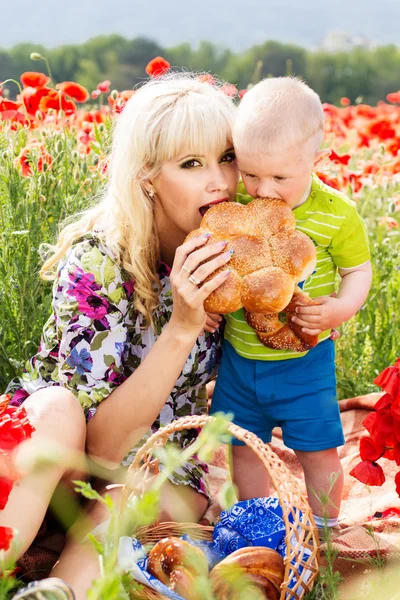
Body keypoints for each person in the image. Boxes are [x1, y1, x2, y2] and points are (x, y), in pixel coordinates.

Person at [3, 73, 239, 599]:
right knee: (60, 411)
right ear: (148, 177)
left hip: (152, 466)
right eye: (192, 164)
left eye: (226, 156)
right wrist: (181, 327)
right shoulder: (99, 262)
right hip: (62, 454)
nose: (220, 181)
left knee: (140, 487)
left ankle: (58, 591)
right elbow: (102, 447)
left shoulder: (232, 263)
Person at [210, 77, 372, 530]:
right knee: (243, 449)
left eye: (280, 177)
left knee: (318, 449)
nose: (263, 189)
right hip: (240, 360)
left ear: (315, 160)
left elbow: (358, 272)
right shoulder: (238, 210)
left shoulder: (335, 212)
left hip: (306, 361)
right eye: (251, 173)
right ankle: (252, 522)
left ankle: (324, 530)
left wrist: (339, 308)